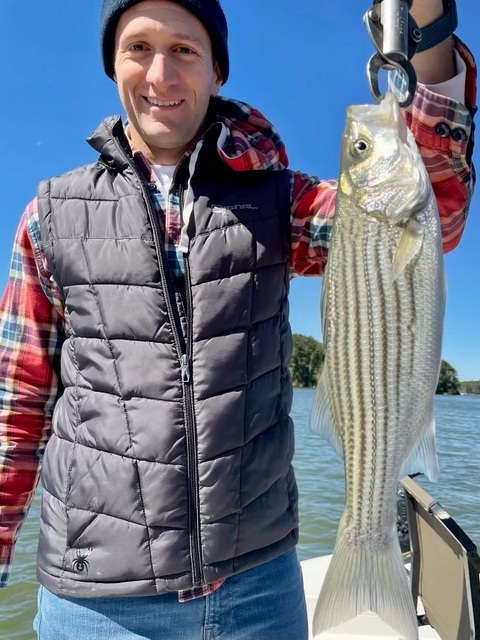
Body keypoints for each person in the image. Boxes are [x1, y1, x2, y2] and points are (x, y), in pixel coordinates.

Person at [0, 0, 476, 638]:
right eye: (138, 48)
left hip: (259, 587)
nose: (161, 73)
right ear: (113, 65)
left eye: (186, 51)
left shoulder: (279, 200)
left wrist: (429, 30)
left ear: (217, 71)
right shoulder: (49, 216)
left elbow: (432, 218)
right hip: (95, 602)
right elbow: (18, 407)